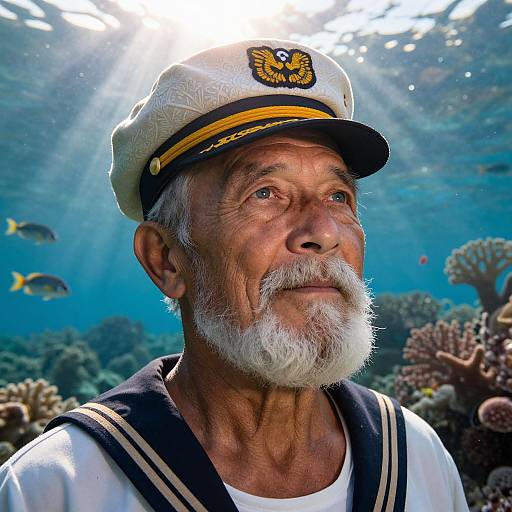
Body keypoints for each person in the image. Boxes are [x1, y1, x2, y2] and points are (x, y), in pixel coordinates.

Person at [0, 39, 469, 512]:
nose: (323, 232)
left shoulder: (417, 454)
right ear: (164, 258)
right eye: (265, 193)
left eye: (338, 196)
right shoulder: (53, 487)